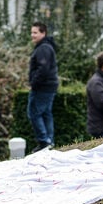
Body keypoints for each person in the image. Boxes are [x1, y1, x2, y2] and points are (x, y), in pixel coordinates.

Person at [27, 22, 59, 153]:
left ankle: (44, 141)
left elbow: (43, 68)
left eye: (35, 32)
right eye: (32, 32)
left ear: (43, 33)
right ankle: (49, 141)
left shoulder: (43, 48)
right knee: (46, 113)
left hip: (42, 87)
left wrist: (34, 82)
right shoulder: (46, 47)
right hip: (49, 86)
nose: (32, 35)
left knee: (34, 112)